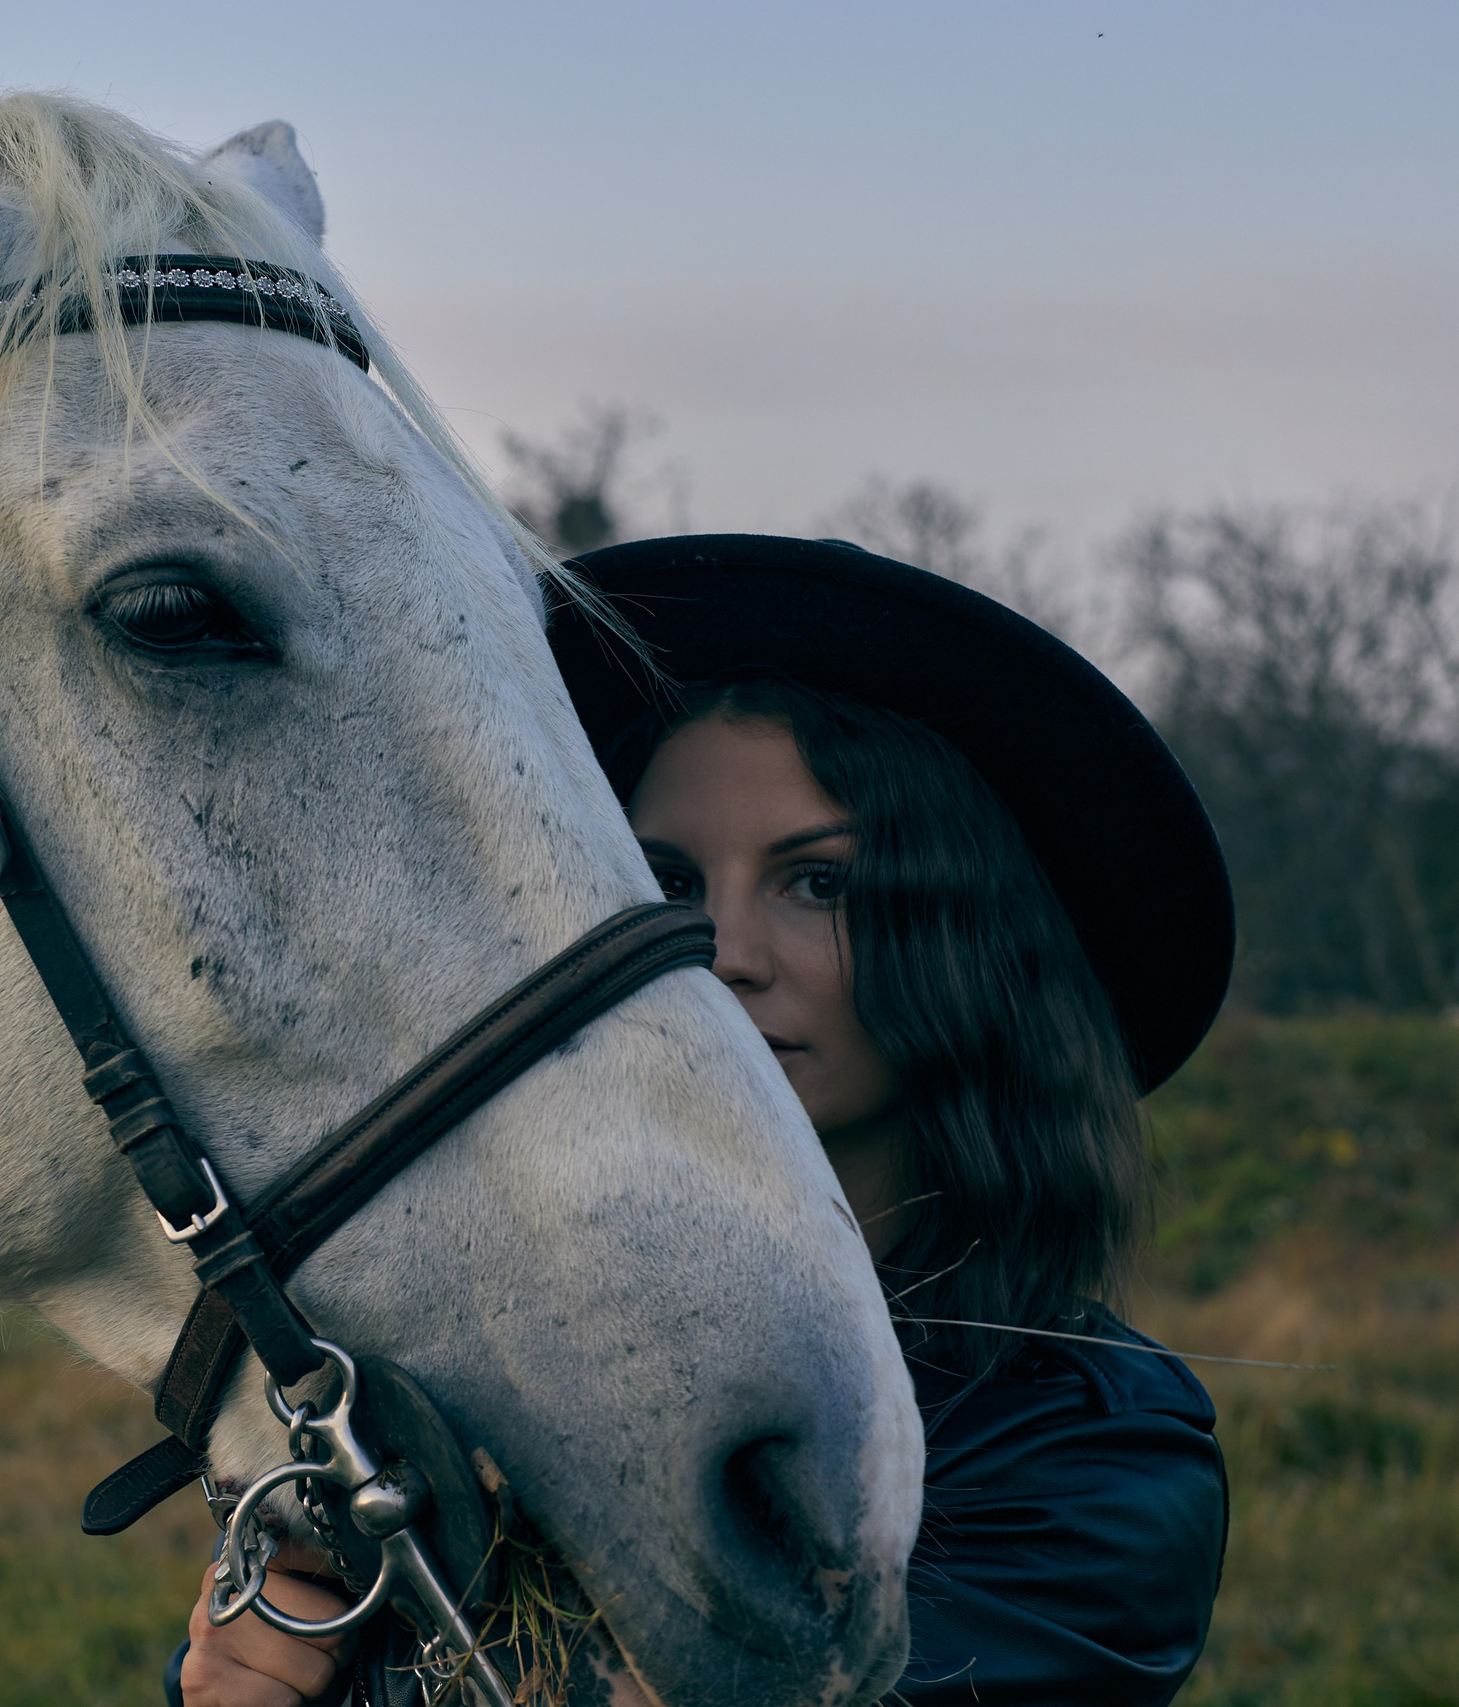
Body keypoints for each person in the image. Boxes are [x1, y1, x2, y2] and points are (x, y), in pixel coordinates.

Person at [170, 536, 1234, 1707]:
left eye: (817, 883)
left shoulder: (1086, 1465)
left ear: (971, 951)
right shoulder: (476, 1380)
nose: (720, 955)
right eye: (663, 886)